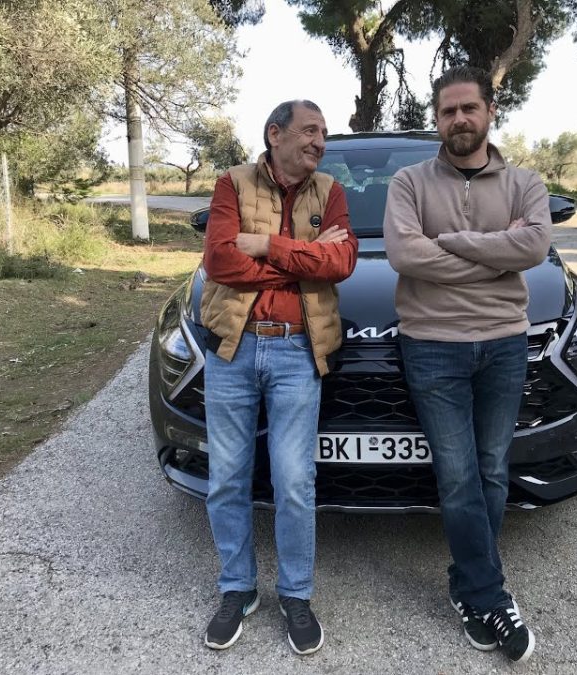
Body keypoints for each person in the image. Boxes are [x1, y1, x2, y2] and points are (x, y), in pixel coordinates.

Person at [382, 66, 552, 664]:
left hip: (504, 343)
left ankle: (468, 582)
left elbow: (534, 246)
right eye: (448, 110)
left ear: (489, 111)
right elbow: (404, 253)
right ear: (437, 118)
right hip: (431, 344)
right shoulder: (408, 181)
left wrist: (449, 242)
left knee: (492, 470)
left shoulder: (526, 182)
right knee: (457, 476)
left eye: (468, 108)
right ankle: (490, 596)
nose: (458, 119)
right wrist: (497, 250)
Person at [199, 99, 359, 655]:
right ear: (275, 134)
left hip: (297, 353)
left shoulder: (330, 191)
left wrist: (268, 245)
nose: (320, 142)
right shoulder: (232, 183)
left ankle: (295, 594)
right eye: (310, 130)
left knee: (294, 480)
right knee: (227, 477)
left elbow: (343, 263)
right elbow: (220, 262)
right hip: (234, 348)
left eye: (324, 133)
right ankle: (237, 588)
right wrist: (306, 259)